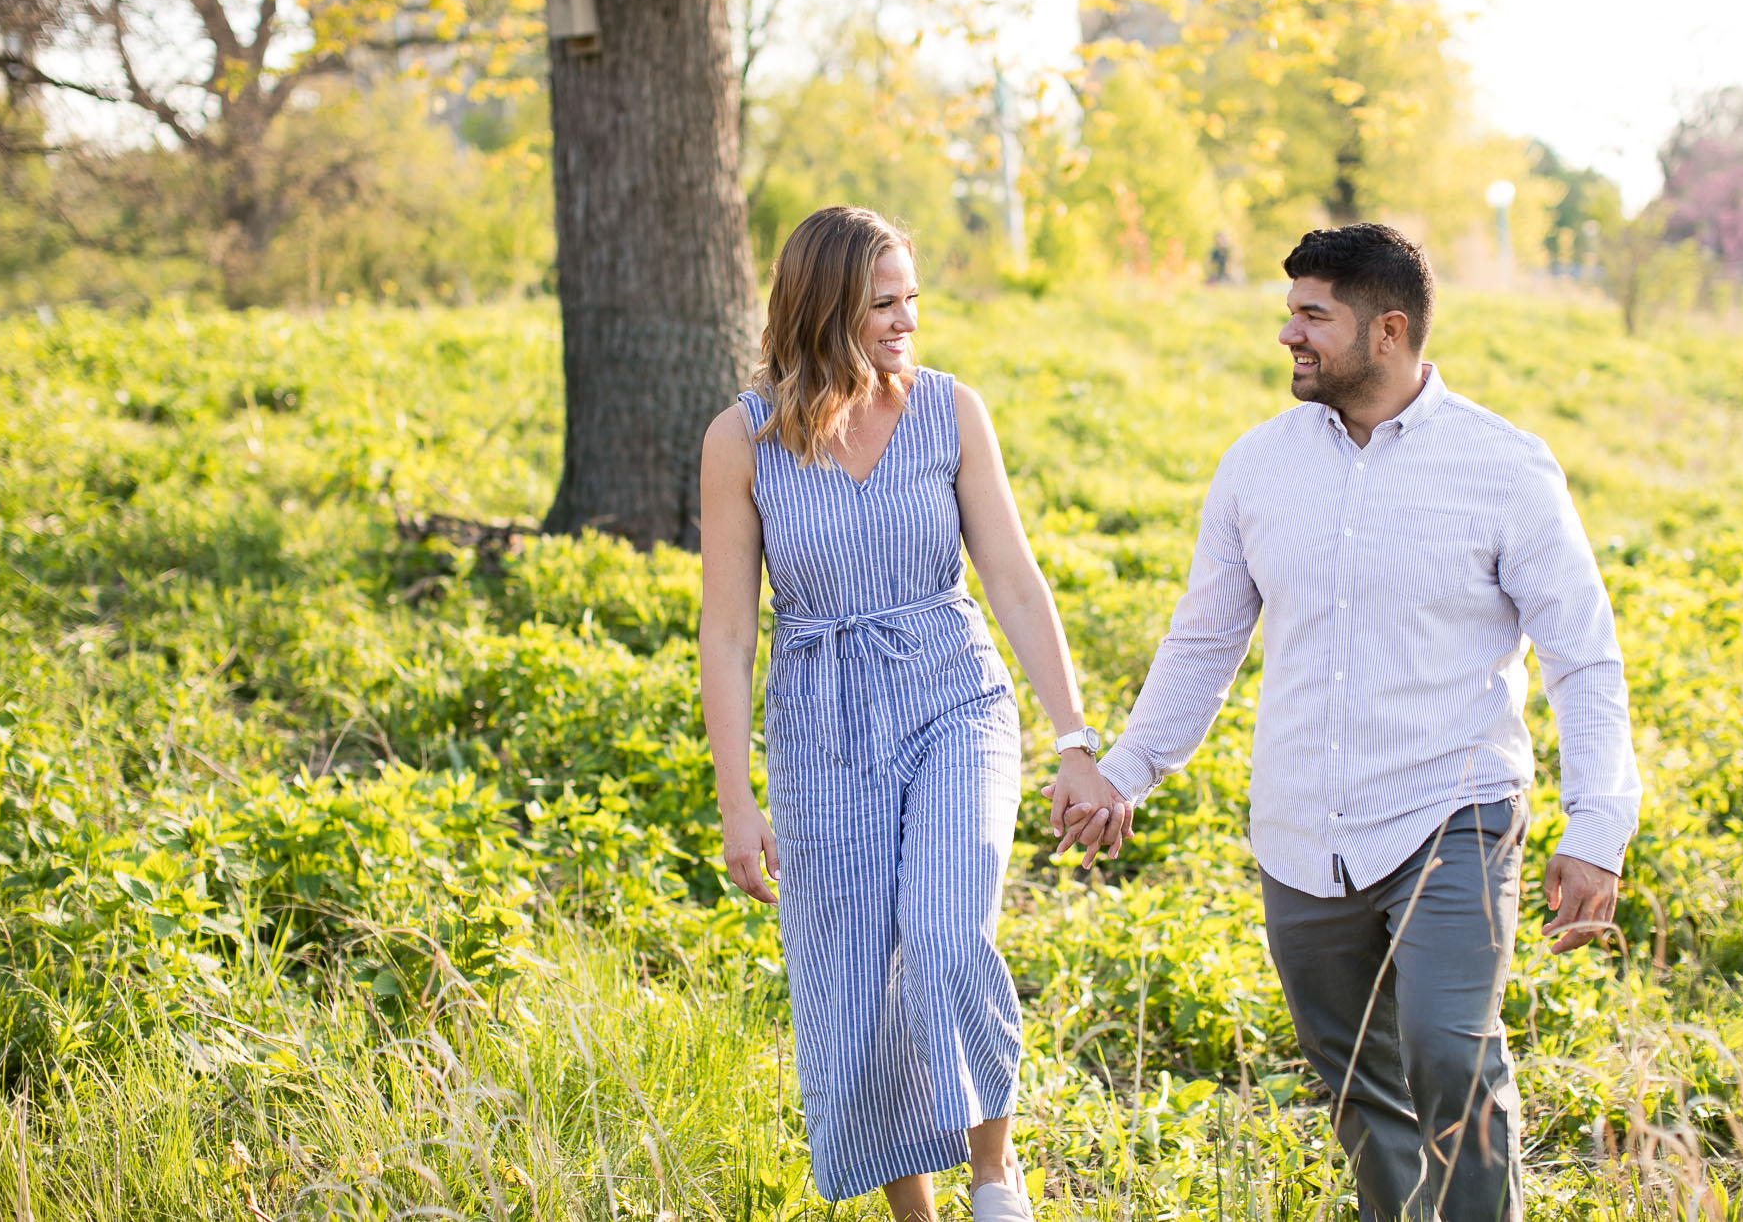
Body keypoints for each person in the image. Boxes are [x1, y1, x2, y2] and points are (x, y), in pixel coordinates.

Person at [1050, 222, 1642, 1222]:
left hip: (1450, 808)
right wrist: (1125, 768)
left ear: (1388, 329)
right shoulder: (1254, 467)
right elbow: (1202, 643)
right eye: (1288, 314)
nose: (1288, 335)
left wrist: (1597, 829)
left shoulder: (1505, 468)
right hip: (1299, 826)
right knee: (1357, 1086)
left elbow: (1582, 656)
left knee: (1448, 1051)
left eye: (1311, 315)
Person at [699, 205, 1129, 1222]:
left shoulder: (947, 409)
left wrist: (1073, 739)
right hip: (821, 719)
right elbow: (724, 633)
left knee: (943, 936)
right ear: (819, 311)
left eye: (910, 300)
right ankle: (917, 1214)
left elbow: (1013, 581)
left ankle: (993, 1174)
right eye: (880, 304)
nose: (904, 322)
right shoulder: (741, 438)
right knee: (853, 976)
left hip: (952, 696)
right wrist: (734, 798)